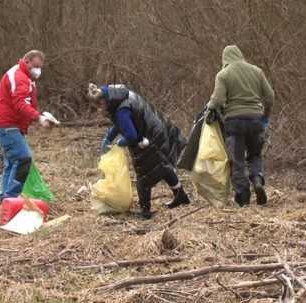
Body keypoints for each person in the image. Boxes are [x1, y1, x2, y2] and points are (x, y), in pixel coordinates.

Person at [87, 83, 190, 219]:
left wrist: (119, 143)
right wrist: (109, 137)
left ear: (104, 101)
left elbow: (131, 135)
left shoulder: (120, 111)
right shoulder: (122, 95)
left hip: (148, 138)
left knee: (144, 177)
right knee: (162, 165)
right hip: (158, 129)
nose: (100, 110)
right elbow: (122, 122)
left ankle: (145, 212)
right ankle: (180, 195)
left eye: (99, 106)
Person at [207, 45, 275, 207]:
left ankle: (243, 196)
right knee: (255, 155)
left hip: (234, 123)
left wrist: (209, 109)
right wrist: (265, 116)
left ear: (225, 59)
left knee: (237, 161)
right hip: (255, 120)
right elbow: (270, 96)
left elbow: (217, 101)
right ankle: (257, 179)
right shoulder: (257, 71)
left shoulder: (223, 74)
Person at [0, 50, 52, 202]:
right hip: (7, 125)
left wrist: (40, 116)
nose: (39, 70)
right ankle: (11, 198)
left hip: (10, 124)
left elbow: (27, 103)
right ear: (27, 62)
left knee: (11, 162)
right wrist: (38, 118)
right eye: (36, 66)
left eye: (41, 67)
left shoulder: (26, 77)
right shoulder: (20, 77)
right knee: (24, 159)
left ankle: (4, 197)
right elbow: (19, 103)